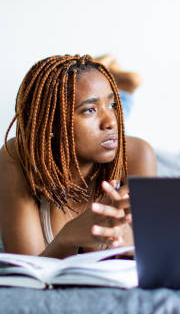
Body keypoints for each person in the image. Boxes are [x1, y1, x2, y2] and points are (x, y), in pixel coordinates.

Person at [0, 54, 156, 258]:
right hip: (61, 146)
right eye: (89, 110)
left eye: (113, 104)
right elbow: (29, 270)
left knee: (107, 132)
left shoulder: (136, 154)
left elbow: (150, 253)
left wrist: (128, 243)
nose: (112, 121)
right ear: (52, 124)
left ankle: (122, 92)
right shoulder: (16, 159)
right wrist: (69, 237)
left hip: (105, 147)